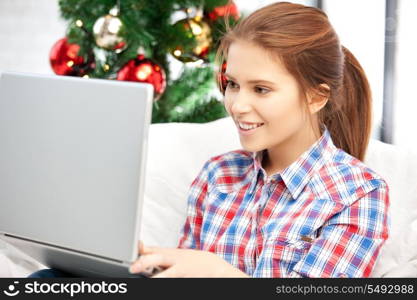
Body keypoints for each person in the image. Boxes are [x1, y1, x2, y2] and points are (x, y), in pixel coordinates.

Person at [29, 1, 389, 278]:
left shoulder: (358, 192)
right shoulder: (219, 174)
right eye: (232, 84)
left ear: (315, 97)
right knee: (49, 279)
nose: (237, 105)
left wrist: (217, 272)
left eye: (261, 89)